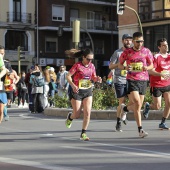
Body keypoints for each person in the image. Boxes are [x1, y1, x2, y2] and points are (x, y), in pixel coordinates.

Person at [118, 32, 154, 138]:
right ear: (133, 41)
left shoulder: (146, 51)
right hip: (132, 80)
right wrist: (125, 68)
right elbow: (120, 64)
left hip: (143, 80)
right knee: (137, 102)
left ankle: (125, 109)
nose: (140, 43)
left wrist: (147, 68)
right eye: (138, 41)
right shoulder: (127, 52)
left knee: (138, 106)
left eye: (141, 41)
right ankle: (141, 130)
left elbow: (151, 64)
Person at [65, 48, 102, 141]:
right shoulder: (77, 65)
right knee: (77, 114)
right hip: (77, 91)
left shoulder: (92, 66)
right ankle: (70, 117)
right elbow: (68, 76)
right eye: (88, 59)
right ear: (83, 57)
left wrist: (97, 79)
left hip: (87, 91)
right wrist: (73, 85)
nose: (89, 61)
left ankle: (83, 133)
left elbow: (93, 77)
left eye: (91, 59)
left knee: (87, 112)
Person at [143, 38, 170, 130]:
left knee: (169, 103)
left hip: (167, 84)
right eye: (163, 45)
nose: (166, 47)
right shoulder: (156, 57)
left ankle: (162, 122)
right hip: (157, 84)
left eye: (166, 45)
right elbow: (150, 71)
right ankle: (148, 106)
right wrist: (160, 74)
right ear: (159, 47)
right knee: (157, 107)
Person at [109, 34, 133, 132]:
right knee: (121, 101)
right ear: (122, 41)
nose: (128, 42)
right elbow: (110, 66)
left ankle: (124, 112)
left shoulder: (133, 52)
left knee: (134, 101)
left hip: (131, 79)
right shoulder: (117, 52)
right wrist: (119, 65)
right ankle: (118, 122)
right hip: (120, 79)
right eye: (126, 40)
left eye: (130, 40)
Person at [0, 53, 8, 123]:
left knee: (1, 110)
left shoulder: (0, 58)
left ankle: (5, 115)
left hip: (1, 87)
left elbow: (4, 70)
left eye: (3, 53)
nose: (2, 54)